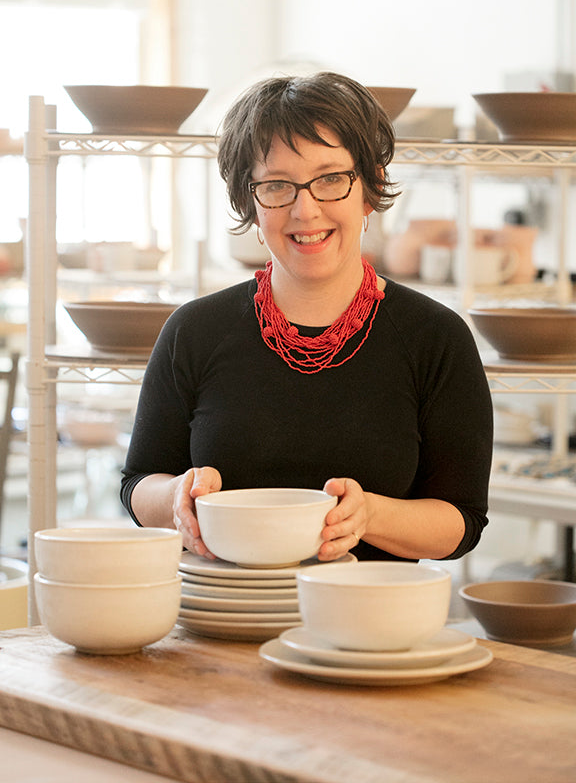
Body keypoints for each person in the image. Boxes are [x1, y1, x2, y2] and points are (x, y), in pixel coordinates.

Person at [120, 71, 493, 564]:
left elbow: (461, 520)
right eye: (276, 186)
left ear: (370, 187)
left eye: (331, 179)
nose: (306, 209)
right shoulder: (194, 331)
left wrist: (370, 515)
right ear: (250, 205)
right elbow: (136, 485)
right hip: (221, 615)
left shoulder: (435, 338)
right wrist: (175, 498)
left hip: (368, 623)